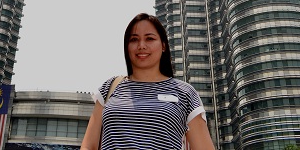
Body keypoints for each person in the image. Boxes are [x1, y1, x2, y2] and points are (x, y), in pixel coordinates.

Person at [80, 12, 215, 150]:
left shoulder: (185, 92)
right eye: (134, 40)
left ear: (163, 46)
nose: (141, 45)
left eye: (149, 38)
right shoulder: (110, 87)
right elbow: (88, 146)